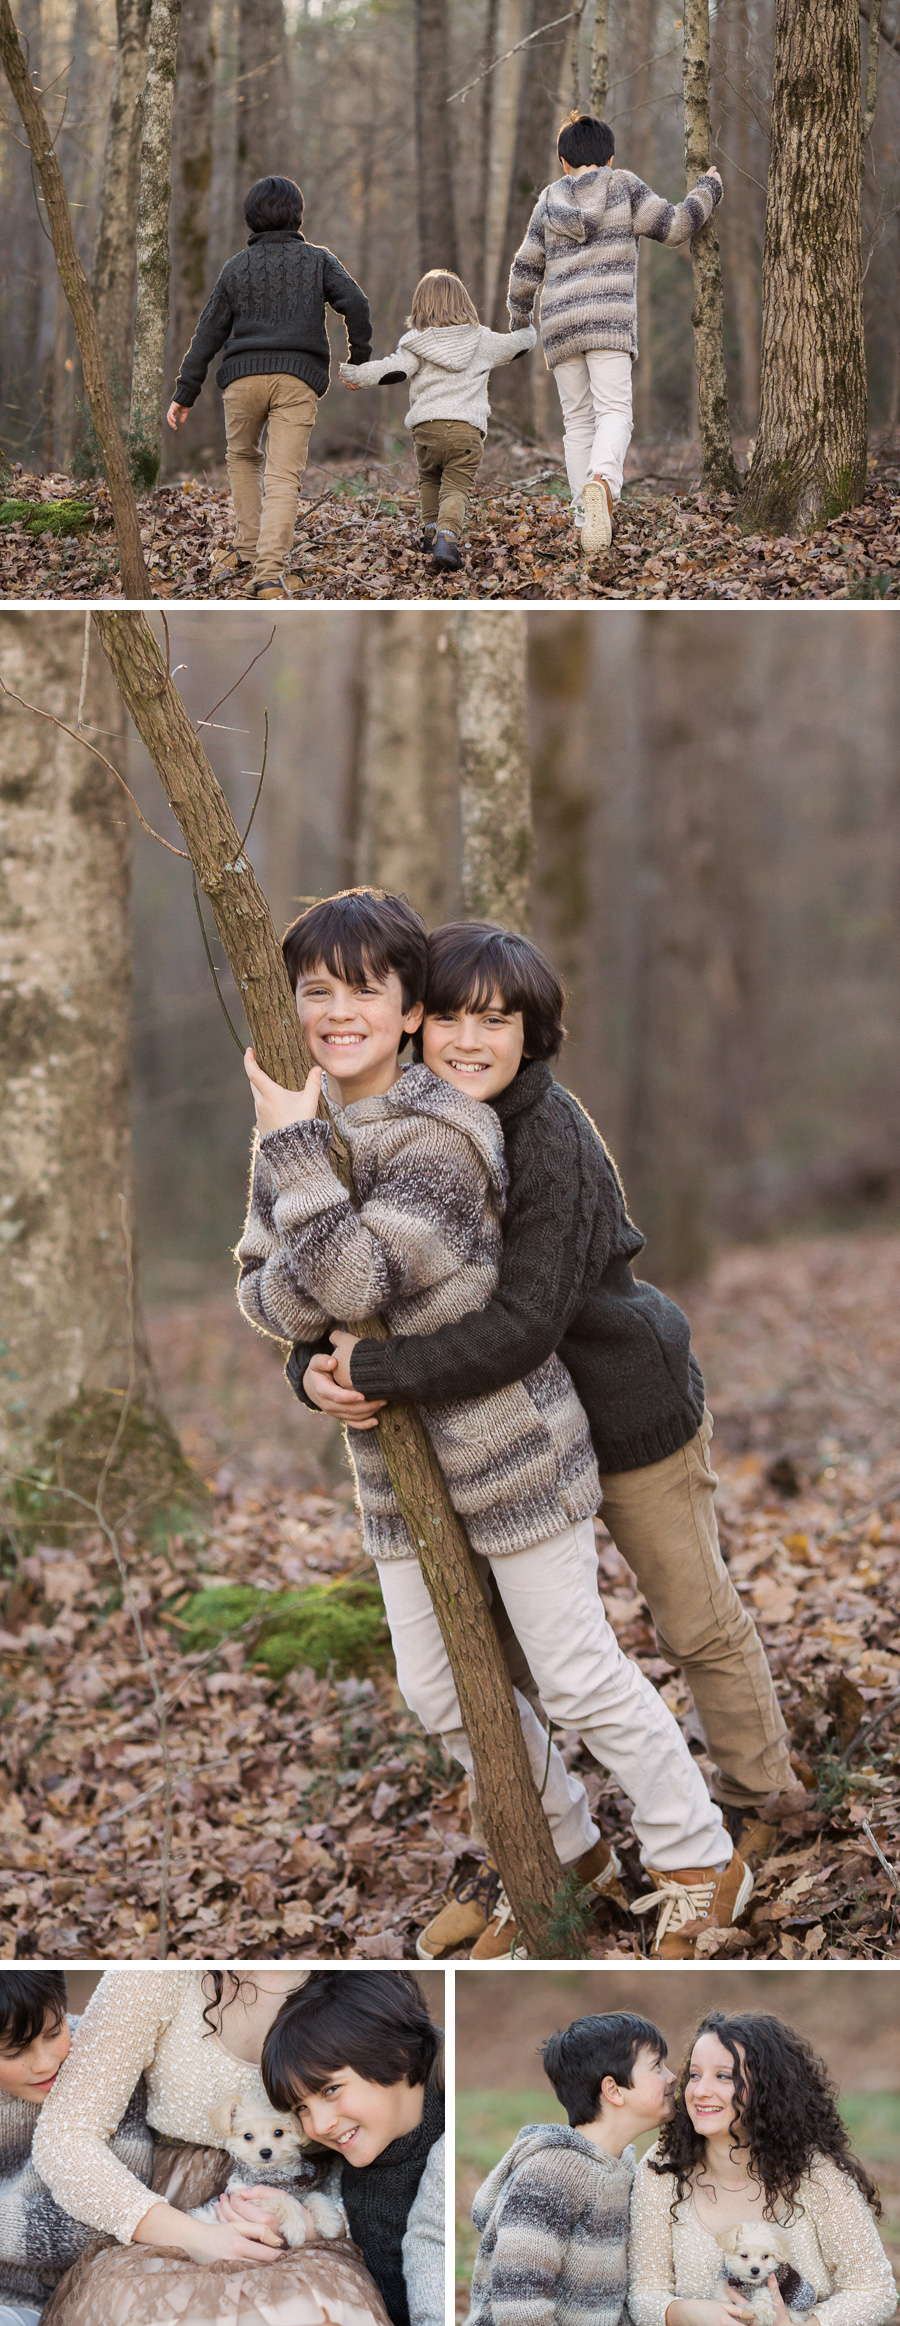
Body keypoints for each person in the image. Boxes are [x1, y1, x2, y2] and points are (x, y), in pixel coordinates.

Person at [236, 886, 750, 1962]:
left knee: (573, 1671)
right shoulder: (302, 1124)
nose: (335, 1012)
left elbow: (352, 1273)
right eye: (314, 991)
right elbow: (262, 1285)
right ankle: (567, 1854)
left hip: (514, 1449)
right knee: (434, 1688)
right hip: (392, 1462)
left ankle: (701, 1855)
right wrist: (308, 1366)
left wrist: (299, 1190)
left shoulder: (448, 1129)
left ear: (410, 1008)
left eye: (362, 991)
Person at [31, 1966, 391, 2326]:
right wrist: (192, 2235)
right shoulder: (152, 1977)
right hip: (170, 2217)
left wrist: (324, 2221)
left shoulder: (357, 1984)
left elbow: (389, 2124)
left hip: (309, 2214)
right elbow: (66, 2136)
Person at [507, 112, 723, 557]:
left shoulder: (548, 200)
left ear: (563, 162)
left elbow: (526, 267)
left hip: (560, 325)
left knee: (578, 422)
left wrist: (518, 316)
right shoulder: (622, 185)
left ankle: (586, 517)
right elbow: (677, 226)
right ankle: (602, 483)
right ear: (609, 157)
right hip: (607, 318)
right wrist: (709, 189)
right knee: (614, 412)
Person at [166, 175, 371, 599]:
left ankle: (245, 548)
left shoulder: (235, 268)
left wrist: (186, 391)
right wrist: (359, 357)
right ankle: (269, 574)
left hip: (242, 378)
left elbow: (208, 332)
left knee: (242, 458)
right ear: (297, 215)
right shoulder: (317, 260)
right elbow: (356, 303)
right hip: (298, 378)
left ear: (251, 218)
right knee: (282, 477)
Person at [627, 2010, 899, 2326]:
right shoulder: (662, 2170)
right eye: (695, 2075)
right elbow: (644, 2294)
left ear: (768, 2090)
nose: (699, 2091)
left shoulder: (818, 2174)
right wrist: (681, 2313)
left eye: (724, 2076)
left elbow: (874, 2291)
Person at [226, 1970, 445, 2326]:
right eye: (302, 2109)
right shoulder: (357, 2186)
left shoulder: (453, 2119)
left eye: (330, 2090)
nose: (319, 2126)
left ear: (398, 2054)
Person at [466, 2011, 674, 2326]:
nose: (671, 2077)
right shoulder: (554, 2173)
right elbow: (520, 2309)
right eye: (657, 2066)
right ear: (614, 2090)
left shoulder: (620, 2169)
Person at [340, 269, 535, 572]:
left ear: (420, 305)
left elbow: (393, 370)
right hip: (466, 430)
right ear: (464, 303)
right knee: (456, 486)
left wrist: (356, 374)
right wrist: (526, 325)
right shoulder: (482, 339)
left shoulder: (416, 343)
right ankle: (447, 537)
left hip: (427, 428)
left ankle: (430, 535)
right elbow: (519, 344)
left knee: (429, 479)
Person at [0, 1971, 153, 2326]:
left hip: (44, 2299)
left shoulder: (102, 2063)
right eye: (14, 2051)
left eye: (54, 2033)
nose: (45, 2063)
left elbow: (111, 2218)